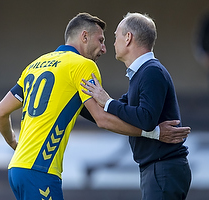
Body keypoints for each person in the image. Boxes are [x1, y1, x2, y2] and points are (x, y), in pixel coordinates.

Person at [0, 12, 190, 200]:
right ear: (84, 36)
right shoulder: (82, 65)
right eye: (101, 40)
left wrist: (13, 144)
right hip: (41, 169)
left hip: (17, 168)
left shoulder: (35, 65)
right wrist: (155, 133)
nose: (104, 48)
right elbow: (102, 118)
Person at [81, 12, 191, 199]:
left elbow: (146, 119)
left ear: (128, 38)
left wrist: (107, 101)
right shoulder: (142, 73)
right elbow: (110, 113)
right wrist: (78, 102)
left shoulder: (151, 72)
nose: (113, 44)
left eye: (116, 37)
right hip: (158, 169)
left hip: (163, 168)